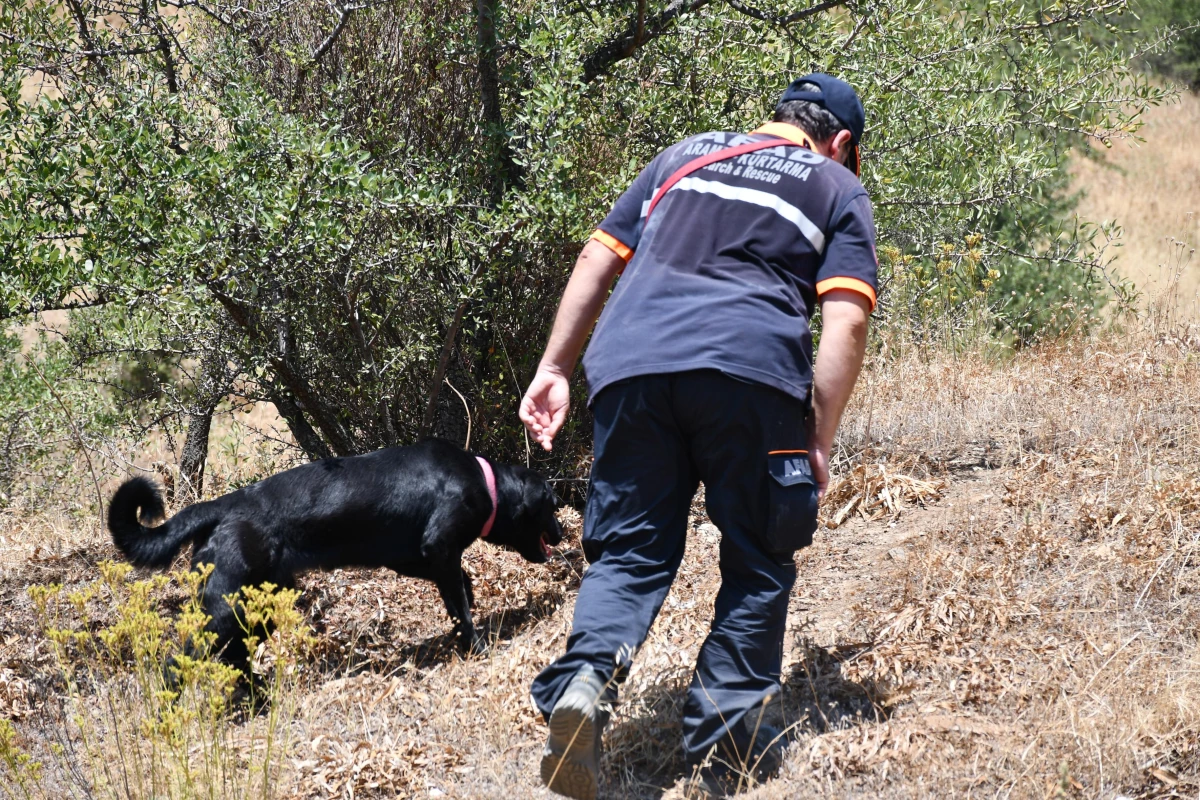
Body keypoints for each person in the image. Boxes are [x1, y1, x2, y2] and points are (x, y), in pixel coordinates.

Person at [519, 73, 877, 800]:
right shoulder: (836, 188)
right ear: (840, 142)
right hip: (749, 374)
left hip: (631, 366)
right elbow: (847, 317)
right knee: (759, 554)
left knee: (630, 549)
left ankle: (587, 679)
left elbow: (598, 258)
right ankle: (725, 746)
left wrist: (554, 367)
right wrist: (822, 435)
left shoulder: (683, 156)